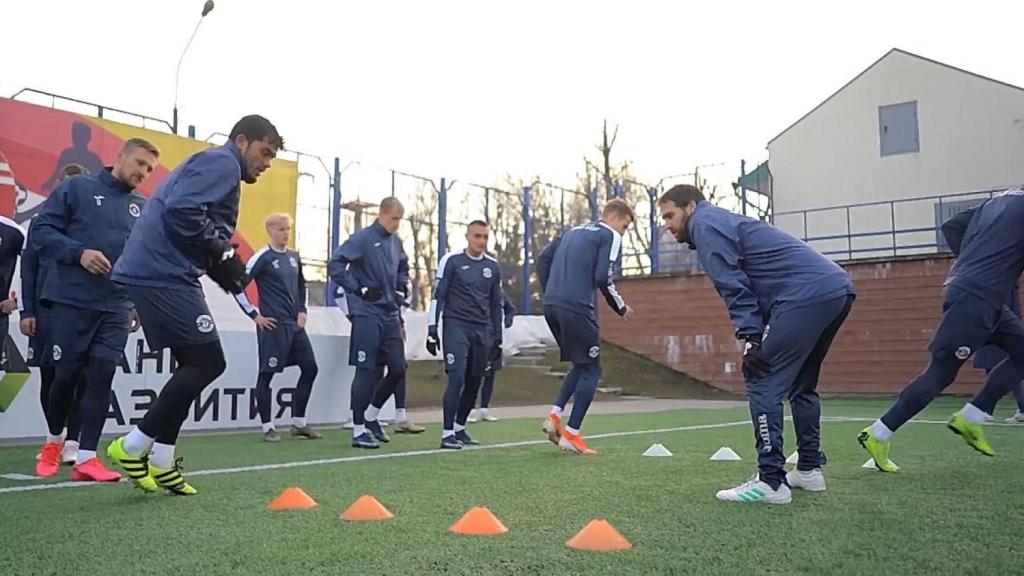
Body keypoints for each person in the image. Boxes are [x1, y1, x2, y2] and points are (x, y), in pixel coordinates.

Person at [107, 115, 283, 496]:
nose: (267, 164)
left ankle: (163, 460)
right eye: (264, 152)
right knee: (209, 362)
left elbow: (192, 220)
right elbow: (182, 212)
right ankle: (133, 445)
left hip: (166, 271)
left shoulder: (218, 166)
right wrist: (221, 254)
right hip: (160, 272)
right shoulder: (222, 163)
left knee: (192, 366)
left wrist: (220, 264)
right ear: (241, 141)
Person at [659, 185, 855, 505]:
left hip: (804, 295)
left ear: (691, 207)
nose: (667, 224)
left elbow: (732, 284)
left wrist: (751, 338)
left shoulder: (704, 225)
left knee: (761, 377)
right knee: (802, 383)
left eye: (670, 215)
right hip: (835, 288)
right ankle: (808, 470)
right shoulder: (722, 220)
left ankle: (771, 481)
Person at [860, 188, 1024, 472]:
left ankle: (973, 415)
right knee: (941, 371)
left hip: (979, 294)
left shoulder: (999, 200)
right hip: (977, 297)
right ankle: (879, 433)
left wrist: (973, 261)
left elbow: (953, 225)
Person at [32, 138, 159, 481]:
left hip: (116, 306)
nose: (143, 173)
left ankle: (87, 457)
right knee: (66, 377)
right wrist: (79, 253)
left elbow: (141, 260)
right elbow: (41, 231)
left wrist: (135, 303)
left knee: (102, 374)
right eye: (139, 163)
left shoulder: (143, 206)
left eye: (149, 169)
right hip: (72, 301)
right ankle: (54, 441)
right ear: (119, 157)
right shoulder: (77, 187)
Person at [536, 199, 633, 455]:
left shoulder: (573, 231)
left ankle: (555, 416)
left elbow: (543, 259)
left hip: (552, 307)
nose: (623, 232)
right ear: (615, 217)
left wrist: (551, 294)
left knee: (581, 365)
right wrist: (620, 306)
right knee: (593, 369)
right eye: (624, 226)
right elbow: (603, 277)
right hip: (576, 308)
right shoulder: (609, 235)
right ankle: (572, 434)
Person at [328, 197, 409, 449]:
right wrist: (358, 289)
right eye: (394, 219)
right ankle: (359, 429)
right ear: (382, 214)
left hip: (390, 315)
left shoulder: (396, 242)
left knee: (398, 368)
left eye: (400, 219)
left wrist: (401, 290)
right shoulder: (362, 238)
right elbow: (335, 264)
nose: (397, 224)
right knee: (365, 370)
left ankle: (372, 415)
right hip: (367, 314)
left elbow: (403, 268)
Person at [21, 164, 87, 465]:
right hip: (46, 310)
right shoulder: (41, 223)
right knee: (49, 377)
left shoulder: (90, 223)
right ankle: (55, 439)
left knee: (79, 376)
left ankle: (74, 442)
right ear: (58, 185)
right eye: (66, 185)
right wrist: (28, 310)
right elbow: (29, 268)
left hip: (78, 309)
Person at [234, 213, 321, 442]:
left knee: (310, 368)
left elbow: (301, 285)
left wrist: (303, 310)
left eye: (289, 229)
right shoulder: (261, 257)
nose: (286, 233)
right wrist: (255, 315)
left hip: (295, 325)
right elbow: (236, 286)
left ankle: (299, 422)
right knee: (267, 374)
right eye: (282, 229)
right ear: (270, 230)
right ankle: (267, 426)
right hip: (272, 326)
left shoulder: (293, 256)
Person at [425, 220, 503, 449]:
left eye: (485, 237)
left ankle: (460, 428)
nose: (481, 241)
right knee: (457, 377)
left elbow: (495, 304)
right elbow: (438, 296)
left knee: (474, 381)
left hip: (481, 330)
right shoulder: (451, 261)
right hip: (456, 326)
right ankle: (447, 433)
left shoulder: (493, 267)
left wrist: (497, 338)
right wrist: (432, 330)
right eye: (477, 236)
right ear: (467, 236)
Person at [973, 285, 1024, 424]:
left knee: (1007, 370)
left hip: (997, 328)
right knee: (997, 368)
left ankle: (986, 410)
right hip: (1001, 328)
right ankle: (986, 410)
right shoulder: (1007, 282)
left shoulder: (1000, 283)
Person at [469, 290, 515, 423]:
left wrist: (508, 319)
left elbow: (510, 308)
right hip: (478, 336)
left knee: (490, 373)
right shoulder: (477, 291)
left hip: (494, 337)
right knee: (474, 374)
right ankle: (469, 409)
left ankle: (484, 409)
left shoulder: (500, 293)